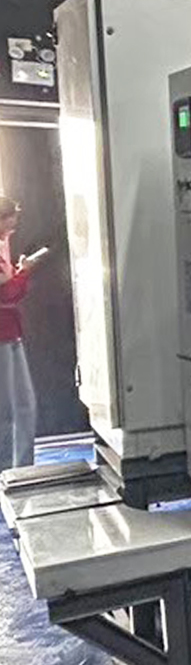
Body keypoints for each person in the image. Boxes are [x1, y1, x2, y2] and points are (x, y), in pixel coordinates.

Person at [0, 194, 44, 473]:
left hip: (11, 331)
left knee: (25, 404)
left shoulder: (3, 243)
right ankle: (6, 470)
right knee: (7, 409)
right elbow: (7, 293)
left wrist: (19, 273)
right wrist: (24, 272)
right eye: (10, 220)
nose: (13, 226)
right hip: (2, 334)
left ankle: (22, 469)